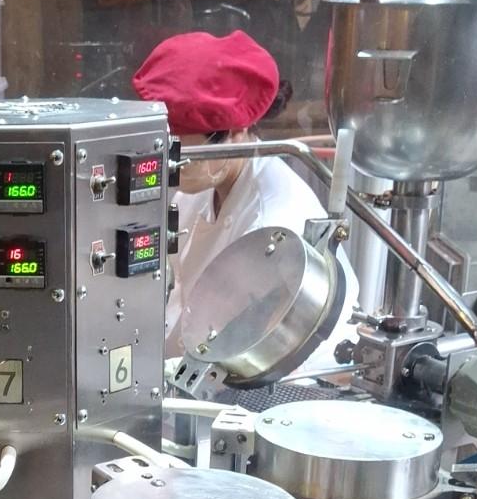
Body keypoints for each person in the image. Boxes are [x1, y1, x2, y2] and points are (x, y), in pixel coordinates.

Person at [132, 30, 358, 365]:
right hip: (196, 353)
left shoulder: (271, 222)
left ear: (236, 131)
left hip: (281, 374)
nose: (171, 168)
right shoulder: (203, 184)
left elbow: (228, 353)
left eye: (183, 156)